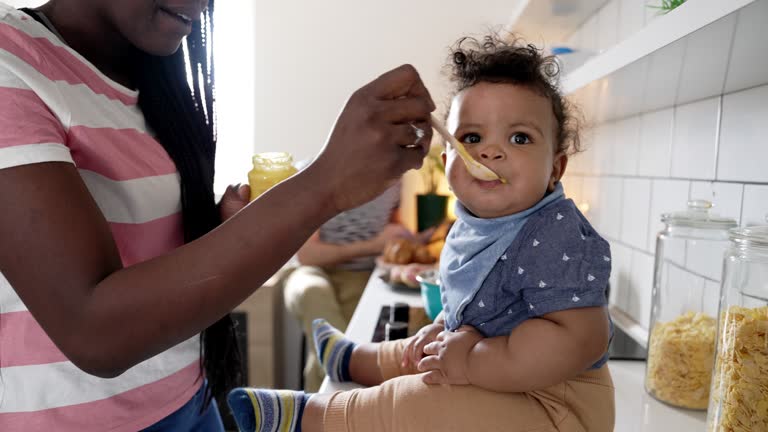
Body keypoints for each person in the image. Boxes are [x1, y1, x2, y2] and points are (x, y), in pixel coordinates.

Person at [0, 0, 435, 430]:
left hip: (190, 400)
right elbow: (93, 332)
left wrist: (216, 229)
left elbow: (146, 256)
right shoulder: (11, 62)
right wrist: (324, 184)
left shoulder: (145, 73)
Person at [227, 34, 616, 432]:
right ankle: (356, 360)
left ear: (556, 168)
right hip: (508, 381)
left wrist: (471, 359)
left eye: (519, 138)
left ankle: (317, 416)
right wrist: (455, 336)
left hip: (556, 406)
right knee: (425, 347)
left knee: (422, 402)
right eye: (472, 138)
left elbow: (577, 340)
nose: (490, 151)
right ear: (448, 162)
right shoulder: (475, 225)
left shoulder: (555, 233)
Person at [283, 182, 410, 392]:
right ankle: (348, 393)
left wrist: (407, 240)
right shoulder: (312, 175)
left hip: (363, 277)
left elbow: (391, 230)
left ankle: (319, 411)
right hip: (312, 271)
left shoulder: (394, 180)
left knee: (332, 342)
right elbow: (307, 255)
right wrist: (372, 245)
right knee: (313, 293)